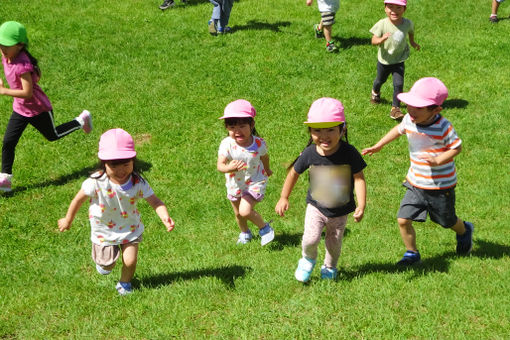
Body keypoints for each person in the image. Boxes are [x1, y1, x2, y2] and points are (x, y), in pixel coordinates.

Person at [362, 77, 474, 266]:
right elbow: (398, 130)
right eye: (409, 105)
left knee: (446, 221)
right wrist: (378, 145)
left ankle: (464, 230)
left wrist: (438, 160)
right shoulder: (409, 119)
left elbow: (457, 148)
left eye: (418, 108)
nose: (411, 110)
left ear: (436, 110)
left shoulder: (443, 127)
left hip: (440, 185)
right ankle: (412, 253)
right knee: (403, 219)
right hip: (415, 182)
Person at [58, 128, 175, 296]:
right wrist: (68, 220)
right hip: (104, 229)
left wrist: (165, 216)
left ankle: (125, 283)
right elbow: (78, 200)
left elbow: (155, 201)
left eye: (126, 164)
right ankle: (104, 264)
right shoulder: (96, 182)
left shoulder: (137, 182)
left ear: (133, 161)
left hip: (130, 227)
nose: (121, 170)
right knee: (107, 265)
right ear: (103, 163)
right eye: (114, 165)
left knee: (130, 260)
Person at [275, 98, 366, 282]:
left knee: (334, 244)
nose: (324, 136)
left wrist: (362, 204)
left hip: (340, 211)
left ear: (343, 129)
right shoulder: (309, 153)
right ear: (310, 131)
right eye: (317, 130)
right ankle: (308, 259)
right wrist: (284, 197)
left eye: (330, 130)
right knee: (310, 239)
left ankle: (330, 267)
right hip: (316, 207)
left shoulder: (349, 153)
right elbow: (293, 173)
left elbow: (359, 178)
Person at [0, 21, 92, 192]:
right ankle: (5, 178)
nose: (2, 48)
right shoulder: (7, 56)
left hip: (38, 109)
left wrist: (4, 91)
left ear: (20, 46)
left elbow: (27, 93)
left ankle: (81, 120)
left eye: (6, 45)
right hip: (20, 109)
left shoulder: (22, 66)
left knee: (53, 135)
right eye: (0, 44)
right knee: (8, 141)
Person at [217, 99, 275, 246]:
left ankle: (265, 228)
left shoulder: (258, 143)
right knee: (238, 213)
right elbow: (220, 166)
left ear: (252, 125)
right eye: (232, 127)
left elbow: (264, 156)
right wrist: (229, 168)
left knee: (244, 210)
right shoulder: (226, 144)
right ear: (227, 128)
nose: (237, 131)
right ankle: (245, 233)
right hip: (235, 183)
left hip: (255, 180)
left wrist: (267, 169)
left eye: (242, 126)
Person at [369, 0, 420, 120]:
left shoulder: (407, 23)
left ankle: (395, 108)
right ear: (385, 8)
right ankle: (375, 92)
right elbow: (373, 40)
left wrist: (412, 42)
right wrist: (381, 39)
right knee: (380, 80)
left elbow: (411, 32)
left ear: (404, 9)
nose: (394, 11)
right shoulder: (382, 24)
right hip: (384, 61)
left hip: (399, 60)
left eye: (398, 8)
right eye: (390, 7)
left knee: (398, 84)